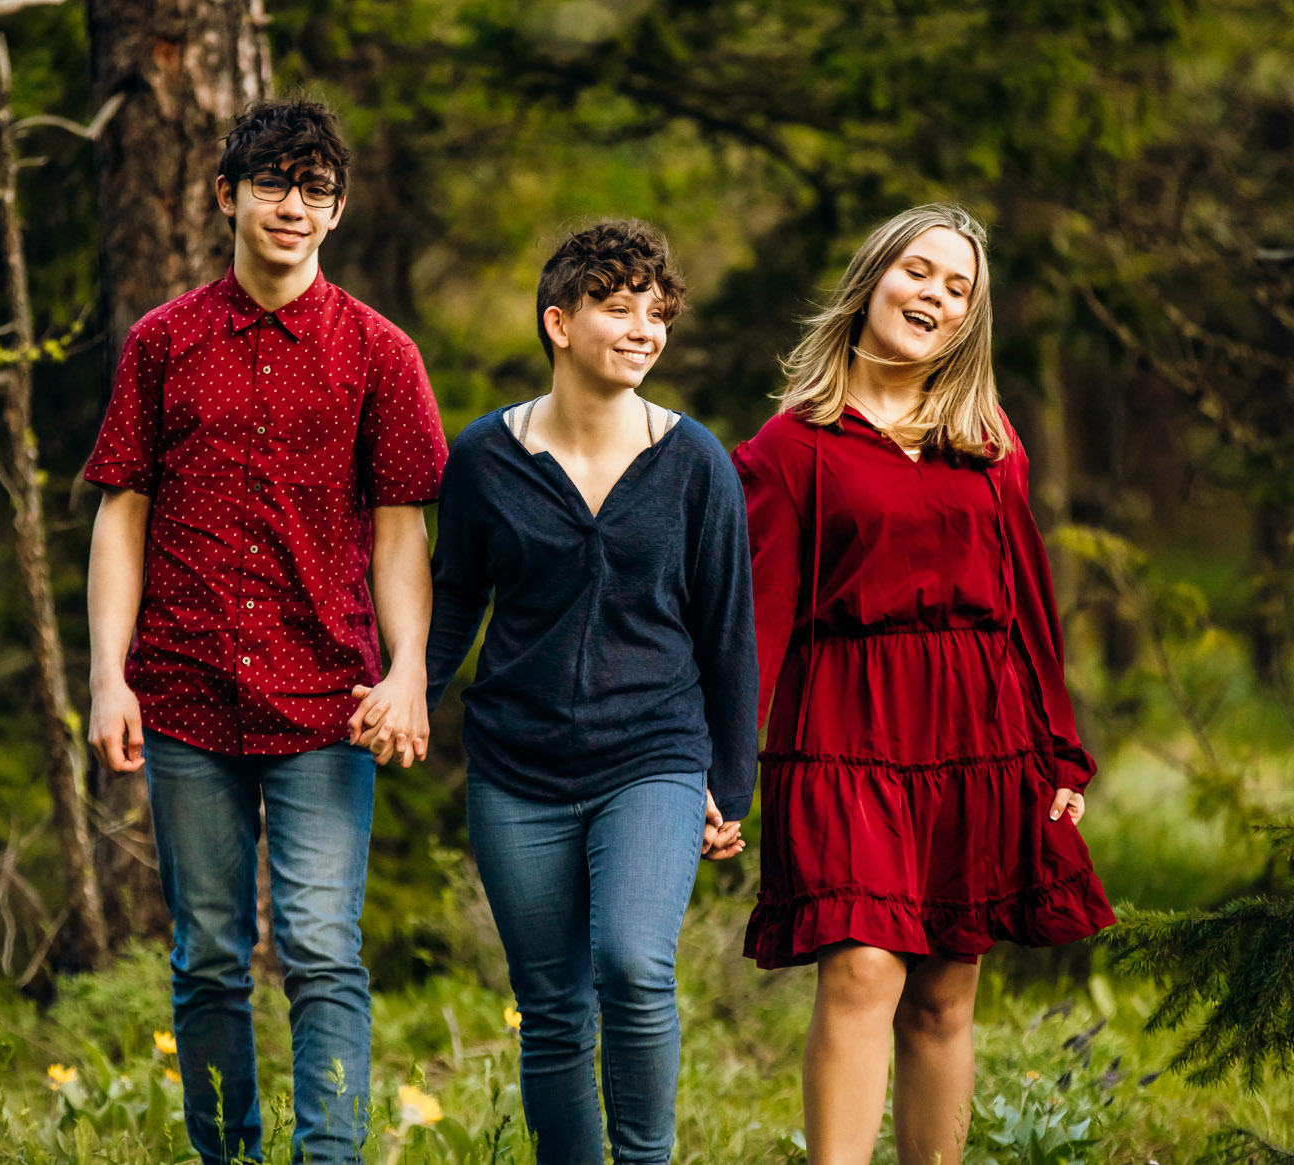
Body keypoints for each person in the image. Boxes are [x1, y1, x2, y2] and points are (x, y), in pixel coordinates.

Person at [83, 97, 448, 1165]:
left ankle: (325, 1157)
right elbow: (122, 513)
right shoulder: (162, 344)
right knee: (205, 957)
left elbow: (400, 533)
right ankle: (228, 1155)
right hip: (184, 693)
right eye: (274, 184)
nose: (293, 205)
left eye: (315, 189)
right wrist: (109, 677)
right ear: (225, 196)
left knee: (324, 951)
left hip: (326, 702)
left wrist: (411, 671)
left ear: (335, 211)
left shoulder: (381, 354)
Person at [731, 203, 1116, 1165]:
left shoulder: (988, 440)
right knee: (863, 967)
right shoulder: (791, 448)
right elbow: (758, 624)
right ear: (871, 281)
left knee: (945, 990)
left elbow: (1028, 600)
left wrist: (1057, 742)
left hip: (975, 730)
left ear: (969, 321)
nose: (934, 296)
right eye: (919, 271)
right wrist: (721, 764)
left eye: (958, 288)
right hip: (847, 724)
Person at [388, 220, 758, 1165]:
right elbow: (459, 591)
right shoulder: (483, 458)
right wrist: (413, 692)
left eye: (655, 311)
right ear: (558, 321)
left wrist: (730, 783)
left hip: (655, 756)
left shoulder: (695, 464)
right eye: (616, 305)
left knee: (634, 966)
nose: (643, 328)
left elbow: (726, 633)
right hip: (517, 769)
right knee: (552, 1009)